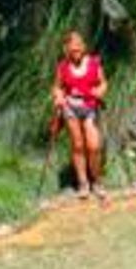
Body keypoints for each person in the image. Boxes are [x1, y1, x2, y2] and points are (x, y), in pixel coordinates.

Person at [52, 31, 109, 199]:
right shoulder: (62, 66)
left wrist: (101, 91)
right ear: (67, 49)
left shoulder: (94, 63)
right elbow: (57, 86)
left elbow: (103, 82)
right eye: (72, 48)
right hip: (71, 108)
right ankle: (83, 184)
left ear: (83, 47)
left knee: (94, 146)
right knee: (77, 146)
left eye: (78, 47)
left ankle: (97, 182)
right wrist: (58, 97)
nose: (76, 50)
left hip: (89, 107)